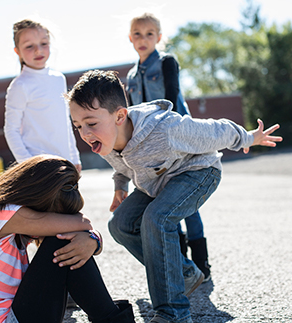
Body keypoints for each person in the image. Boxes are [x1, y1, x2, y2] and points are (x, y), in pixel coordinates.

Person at [66, 70, 282, 323]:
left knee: (156, 219)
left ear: (120, 116)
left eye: (90, 123)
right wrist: (120, 187)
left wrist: (248, 137)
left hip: (198, 172)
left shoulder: (165, 129)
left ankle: (174, 313)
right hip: (158, 182)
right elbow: (121, 165)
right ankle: (184, 272)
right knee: (120, 225)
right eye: (78, 125)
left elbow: (214, 130)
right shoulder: (105, 137)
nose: (84, 133)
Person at [0, 155, 135, 323]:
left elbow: (83, 228)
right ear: (39, 197)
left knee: (66, 241)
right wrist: (92, 238)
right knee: (62, 241)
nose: (58, 222)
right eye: (56, 216)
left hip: (7, 315)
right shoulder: (5, 214)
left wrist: (93, 240)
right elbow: (82, 223)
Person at [126, 12, 210, 280]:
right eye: (137, 34)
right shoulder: (130, 76)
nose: (143, 39)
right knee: (165, 203)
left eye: (149, 34)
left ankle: (202, 263)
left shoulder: (166, 63)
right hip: (151, 149)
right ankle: (183, 266)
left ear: (159, 38)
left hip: (179, 141)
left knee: (188, 204)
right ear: (130, 38)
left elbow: (172, 99)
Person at [4, 19, 81, 172]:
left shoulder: (59, 79)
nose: (38, 50)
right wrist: (28, 164)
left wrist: (74, 157)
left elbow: (65, 122)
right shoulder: (20, 86)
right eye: (29, 46)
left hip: (65, 163)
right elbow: (11, 130)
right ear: (17, 51)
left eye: (43, 43)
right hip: (39, 168)